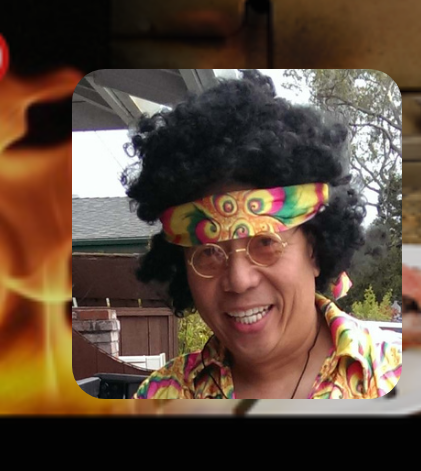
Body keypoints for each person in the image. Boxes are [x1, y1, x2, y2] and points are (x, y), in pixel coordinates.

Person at [124, 71, 400, 399]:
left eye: (266, 242)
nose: (239, 280)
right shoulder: (162, 395)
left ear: (315, 250)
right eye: (209, 251)